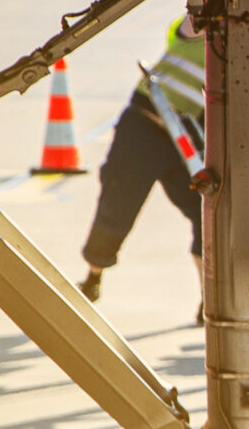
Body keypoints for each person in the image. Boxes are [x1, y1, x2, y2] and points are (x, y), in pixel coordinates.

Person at [76, 16, 204, 301]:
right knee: (118, 204)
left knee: (208, 211)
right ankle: (93, 278)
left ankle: (210, 298)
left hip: (182, 141)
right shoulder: (200, 30)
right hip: (143, 129)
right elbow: (196, 18)